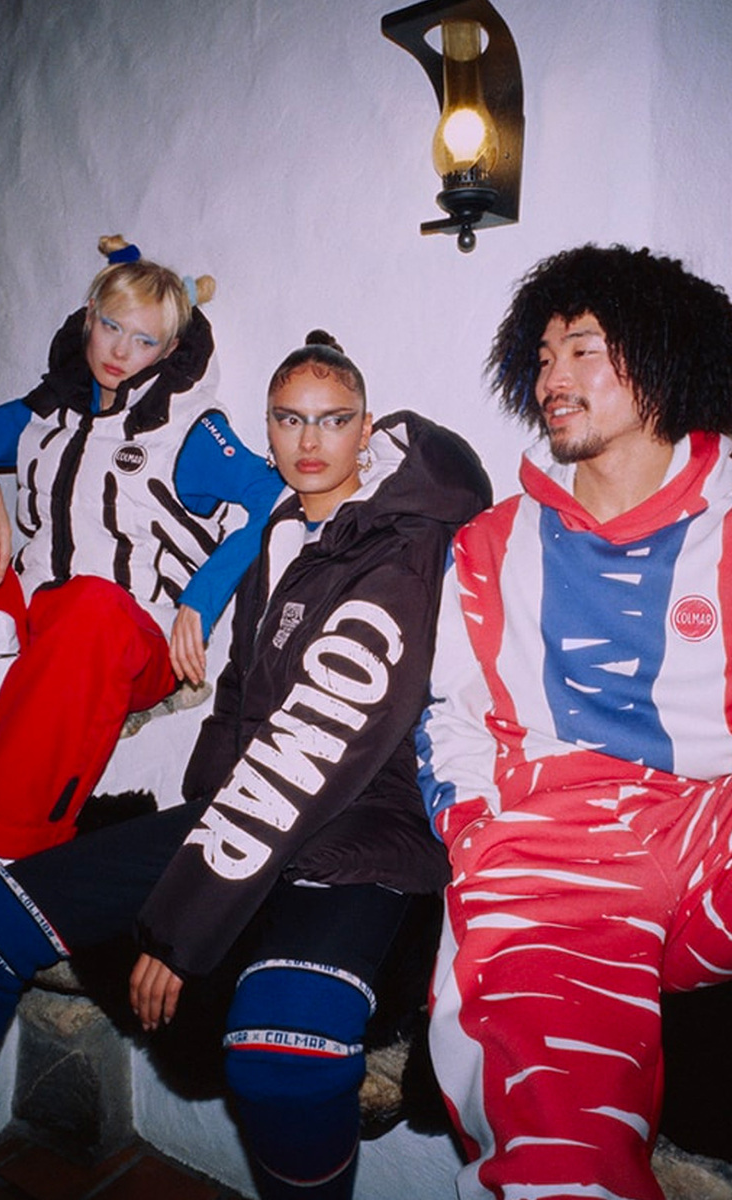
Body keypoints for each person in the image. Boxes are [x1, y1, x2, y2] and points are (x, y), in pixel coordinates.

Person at [0, 330, 491, 1198]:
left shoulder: (401, 547)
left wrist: (184, 921)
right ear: (266, 429)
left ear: (366, 428)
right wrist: (191, 825)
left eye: (333, 420)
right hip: (247, 811)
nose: (309, 441)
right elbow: (237, 700)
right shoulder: (281, 531)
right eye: (289, 420)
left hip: (360, 829)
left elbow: (316, 738)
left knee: (282, 1059)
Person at [417, 244, 732, 1200]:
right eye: (544, 356)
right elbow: (450, 716)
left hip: (711, 824)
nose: (553, 377)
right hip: (553, 847)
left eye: (584, 349)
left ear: (666, 358)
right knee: (562, 1154)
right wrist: (477, 833)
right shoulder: (489, 544)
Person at [0, 242, 283, 858]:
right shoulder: (48, 411)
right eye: (112, 327)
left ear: (169, 350)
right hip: (29, 616)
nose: (120, 352)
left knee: (89, 605)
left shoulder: (189, 429)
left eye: (144, 341)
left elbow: (273, 499)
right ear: (88, 317)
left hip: (129, 636)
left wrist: (201, 602)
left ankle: (8, 837)